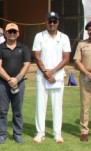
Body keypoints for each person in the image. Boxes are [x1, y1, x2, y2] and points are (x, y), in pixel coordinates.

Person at [32, 11, 71, 143]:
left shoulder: (64, 37)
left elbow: (66, 58)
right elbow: (36, 56)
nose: (52, 23)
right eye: (50, 21)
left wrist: (52, 72)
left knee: (57, 105)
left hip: (57, 76)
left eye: (54, 21)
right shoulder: (39, 36)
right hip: (42, 76)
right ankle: (40, 133)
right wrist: (45, 72)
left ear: (58, 22)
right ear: (46, 22)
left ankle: (57, 133)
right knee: (40, 105)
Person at [0, 23, 31, 144]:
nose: (12, 34)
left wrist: (17, 79)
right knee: (3, 111)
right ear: (5, 33)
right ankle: (2, 135)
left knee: (18, 111)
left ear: (18, 33)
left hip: (19, 83)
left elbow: (26, 65)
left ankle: (17, 134)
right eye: (10, 31)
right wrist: (10, 79)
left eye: (14, 32)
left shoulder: (23, 48)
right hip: (2, 84)